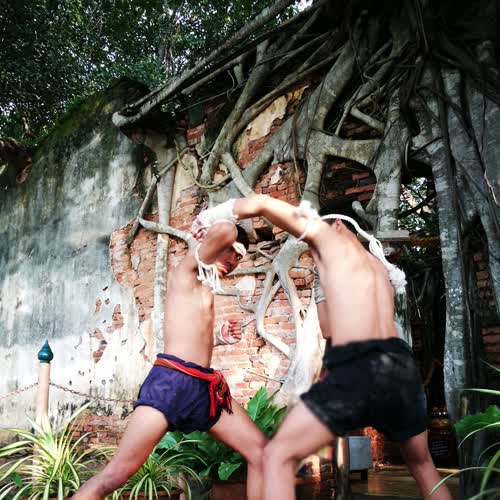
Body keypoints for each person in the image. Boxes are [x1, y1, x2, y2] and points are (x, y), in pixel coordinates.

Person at [193, 195, 452, 500]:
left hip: (360, 364)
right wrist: (322, 282)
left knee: (276, 456)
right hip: (400, 366)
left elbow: (261, 204)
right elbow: (329, 329)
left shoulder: (330, 238)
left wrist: (211, 216)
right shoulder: (377, 266)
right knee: (422, 465)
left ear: (337, 224)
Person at [73, 221, 267, 500]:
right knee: (115, 475)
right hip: (171, 383)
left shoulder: (206, 287)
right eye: (231, 251)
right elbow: (227, 229)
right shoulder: (187, 270)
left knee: (261, 452)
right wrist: (214, 226)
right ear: (213, 243)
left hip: (204, 389)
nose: (234, 261)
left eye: (240, 257)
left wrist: (218, 337)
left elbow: (188, 335)